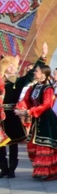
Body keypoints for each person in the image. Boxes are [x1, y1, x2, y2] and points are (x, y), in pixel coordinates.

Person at [14, 64, 57, 180]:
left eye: (36, 71)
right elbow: (26, 100)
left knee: (47, 144)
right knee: (35, 143)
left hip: (46, 118)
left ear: (43, 75)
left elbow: (46, 105)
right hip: (37, 118)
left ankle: (52, 171)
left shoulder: (48, 89)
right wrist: (20, 108)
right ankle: (42, 170)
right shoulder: (33, 87)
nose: (34, 72)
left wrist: (28, 112)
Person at [0, 44, 47, 178]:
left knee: (13, 143)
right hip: (1, 115)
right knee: (1, 145)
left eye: (13, 66)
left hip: (12, 115)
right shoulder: (1, 81)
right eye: (8, 66)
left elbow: (30, 75)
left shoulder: (18, 82)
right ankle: (3, 168)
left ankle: (12, 169)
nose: (11, 68)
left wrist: (42, 57)